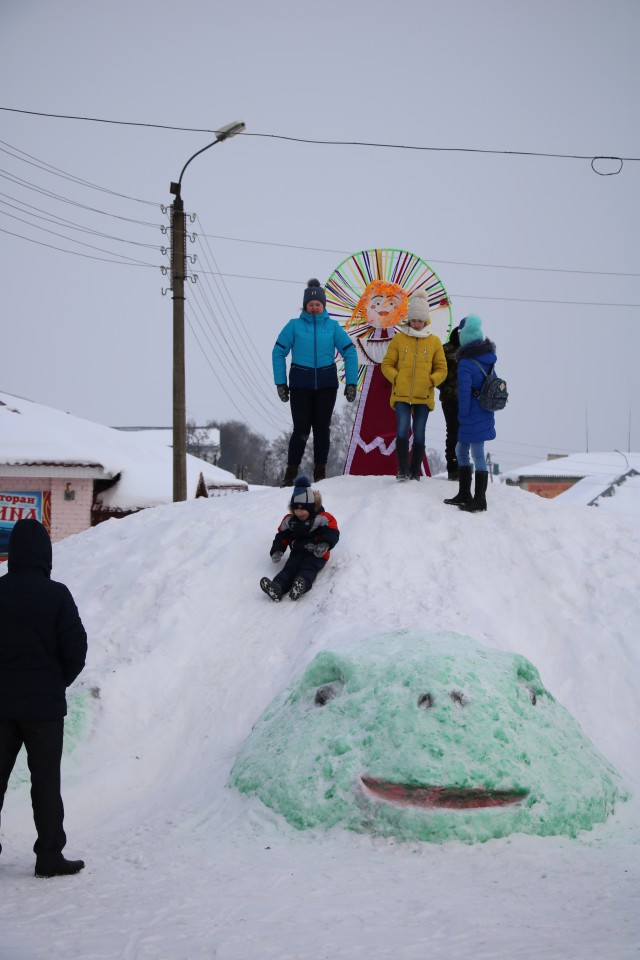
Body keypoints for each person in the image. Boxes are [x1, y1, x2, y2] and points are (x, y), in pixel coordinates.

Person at [0, 519, 87, 878]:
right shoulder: (57, 595)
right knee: (46, 782)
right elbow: (76, 650)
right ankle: (49, 857)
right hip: (44, 709)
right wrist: (57, 682)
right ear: (45, 554)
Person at [273, 278, 359, 486]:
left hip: (326, 385)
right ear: (304, 306)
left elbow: (349, 351)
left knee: (322, 429)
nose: (313, 308)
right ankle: (290, 474)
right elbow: (278, 352)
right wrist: (281, 383)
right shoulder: (293, 326)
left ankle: (320, 473)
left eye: (317, 304)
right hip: (300, 386)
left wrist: (351, 383)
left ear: (323, 305)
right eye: (310, 305)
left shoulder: (332, 327)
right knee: (301, 429)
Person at [380, 290, 447, 481]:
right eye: (414, 319)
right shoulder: (399, 339)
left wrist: (432, 380)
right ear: (409, 319)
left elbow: (442, 369)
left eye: (420, 320)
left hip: (423, 397)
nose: (417, 323)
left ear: (426, 320)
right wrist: (397, 377)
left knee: (419, 434)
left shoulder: (434, 341)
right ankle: (402, 470)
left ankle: (415, 471)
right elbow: (387, 364)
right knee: (401, 431)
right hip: (401, 395)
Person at [444, 314, 496, 512]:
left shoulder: (466, 362)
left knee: (476, 454)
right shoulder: (489, 359)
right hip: (485, 410)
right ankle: (465, 493)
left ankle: (479, 499)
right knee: (461, 451)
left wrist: (462, 416)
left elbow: (464, 393)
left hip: (470, 414)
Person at [260, 475, 340, 602]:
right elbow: (281, 536)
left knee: (308, 569)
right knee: (288, 569)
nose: (299, 512)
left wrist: (325, 544)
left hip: (316, 554)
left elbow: (332, 531)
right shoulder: (289, 521)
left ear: (311, 507)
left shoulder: (322, 518)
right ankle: (277, 587)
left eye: (303, 509)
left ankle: (300, 587)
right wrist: (277, 550)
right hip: (297, 553)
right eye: (296, 508)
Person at [437, 325, 461, 481]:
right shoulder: (444, 349)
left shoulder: (471, 351)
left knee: (465, 433)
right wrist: (445, 387)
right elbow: (437, 371)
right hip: (449, 398)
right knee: (452, 431)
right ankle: (453, 467)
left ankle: (464, 466)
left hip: (468, 399)